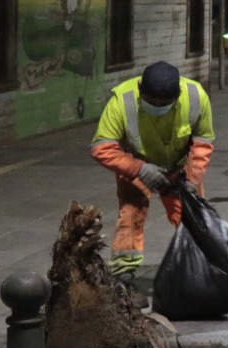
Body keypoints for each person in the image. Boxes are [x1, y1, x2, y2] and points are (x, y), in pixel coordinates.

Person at [89, 60, 216, 294]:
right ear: (140, 90)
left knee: (193, 218)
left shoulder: (195, 97)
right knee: (131, 215)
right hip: (137, 164)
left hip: (179, 167)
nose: (157, 106)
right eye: (151, 102)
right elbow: (102, 147)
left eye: (164, 103)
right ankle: (123, 276)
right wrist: (139, 169)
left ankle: (199, 268)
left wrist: (192, 179)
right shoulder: (122, 101)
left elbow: (202, 141)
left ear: (176, 96)